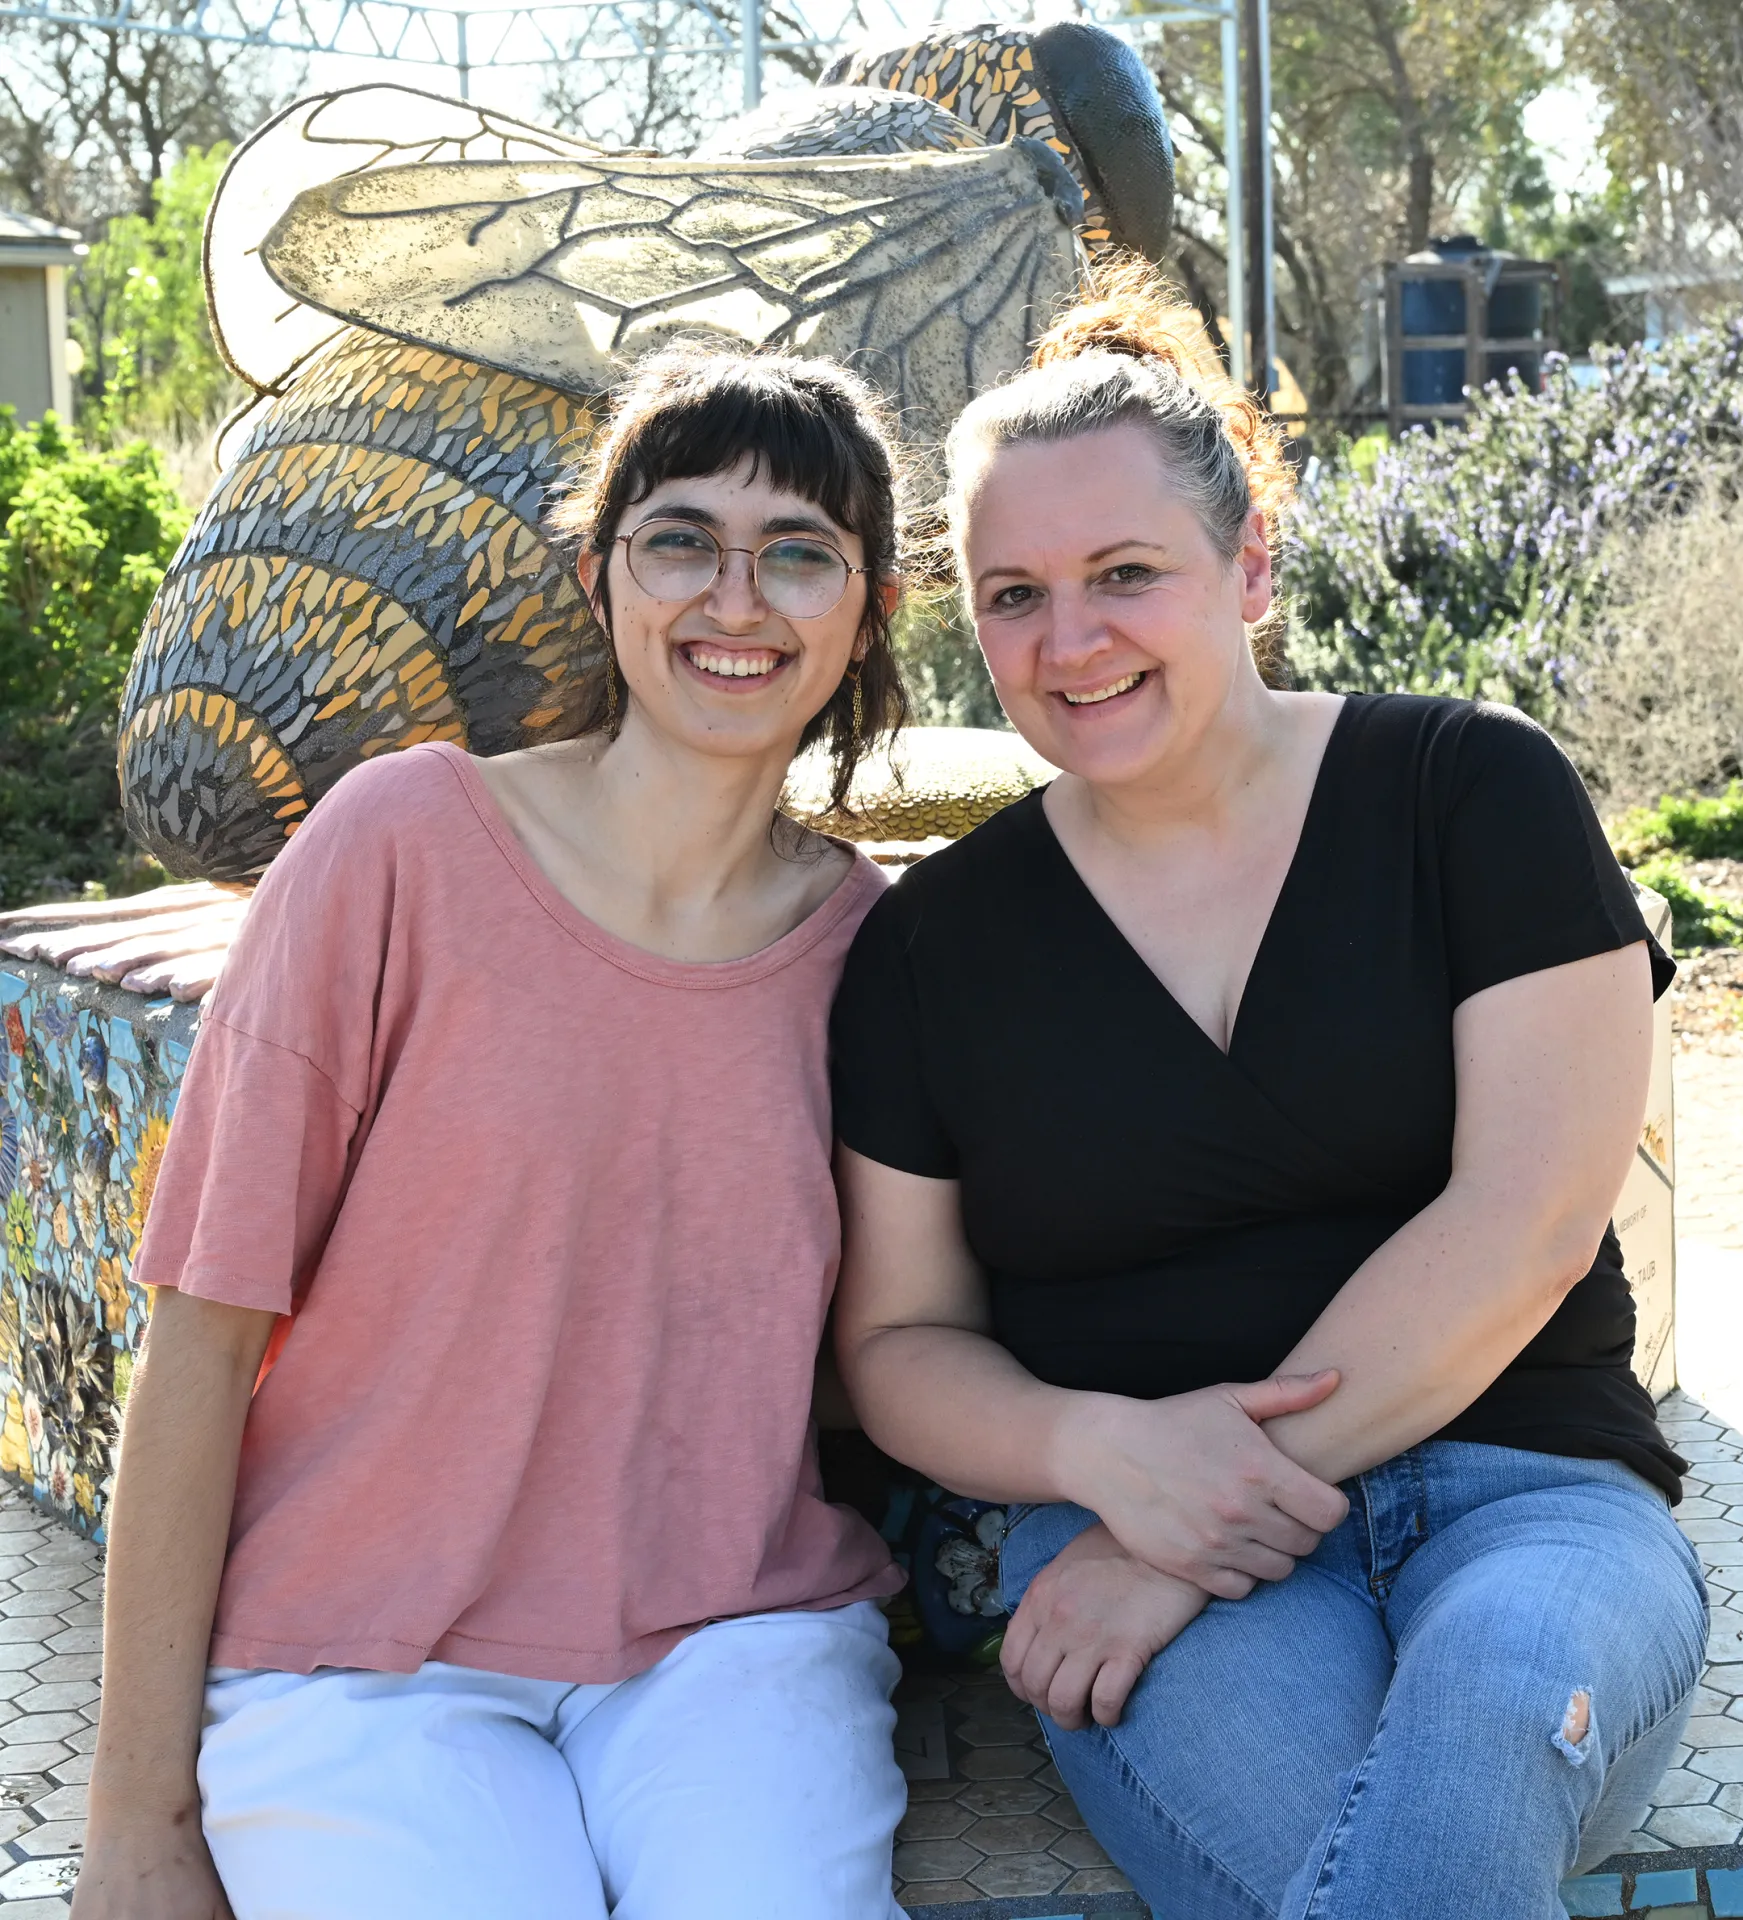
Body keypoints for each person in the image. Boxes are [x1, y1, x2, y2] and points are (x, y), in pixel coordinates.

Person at [827, 265, 1708, 1920]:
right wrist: (1102, 1457)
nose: (1066, 640)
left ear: (1248, 566)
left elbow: (1521, 1226)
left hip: (1524, 1494)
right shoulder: (931, 947)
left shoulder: (1471, 792)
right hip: (1111, 1514)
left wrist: (1182, 1531)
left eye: (1123, 574)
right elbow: (897, 1345)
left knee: (1494, 1710)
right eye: (1012, 595)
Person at [75, 346, 915, 1920]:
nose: (736, 599)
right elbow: (197, 1341)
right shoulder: (400, 848)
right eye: (681, 540)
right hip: (359, 1657)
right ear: (598, 578)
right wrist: (133, 1820)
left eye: (798, 552)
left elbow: (915, 1333)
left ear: (864, 614)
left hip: (732, 1640)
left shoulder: (880, 959)